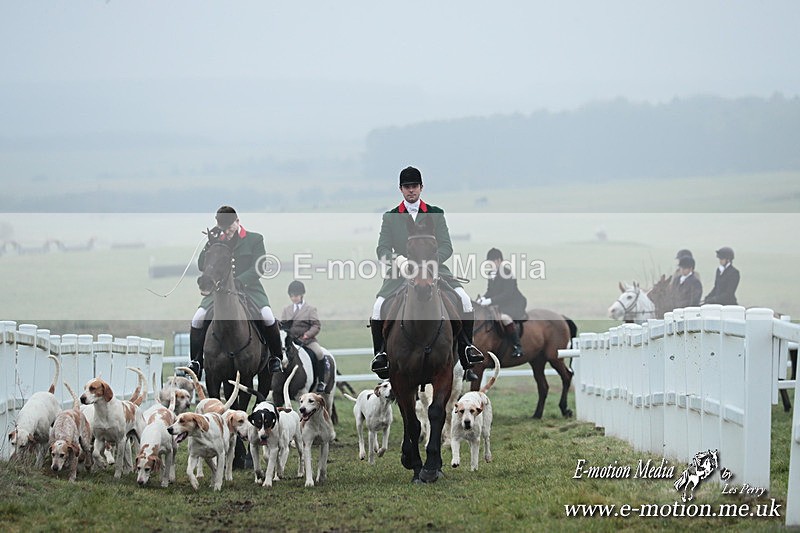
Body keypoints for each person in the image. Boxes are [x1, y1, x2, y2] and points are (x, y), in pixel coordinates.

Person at [369, 166, 483, 381]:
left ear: (421, 187)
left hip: (434, 269)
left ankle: (467, 348)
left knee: (465, 300)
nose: (411, 190)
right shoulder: (391, 216)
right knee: (377, 308)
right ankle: (381, 354)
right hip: (400, 274)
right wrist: (399, 260)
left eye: (414, 186)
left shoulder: (436, 213)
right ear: (400, 189)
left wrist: (431, 262)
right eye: (406, 187)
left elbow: (446, 246)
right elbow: (382, 250)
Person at [188, 206, 283, 379]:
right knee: (198, 318)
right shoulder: (218, 240)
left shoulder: (255, 239)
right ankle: (196, 361)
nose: (227, 230)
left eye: (230, 226)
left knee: (267, 316)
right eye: (224, 227)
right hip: (220, 291)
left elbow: (259, 267)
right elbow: (203, 264)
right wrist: (210, 242)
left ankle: (275, 357)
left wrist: (240, 281)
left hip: (250, 289)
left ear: (237, 221)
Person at [280, 280, 330, 393]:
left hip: (307, 341)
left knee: (319, 353)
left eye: (296, 295)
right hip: (291, 341)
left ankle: (321, 381)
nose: (294, 298)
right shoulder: (286, 310)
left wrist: (307, 334)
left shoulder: (310, 309)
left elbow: (316, 325)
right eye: (291, 296)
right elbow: (283, 326)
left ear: (302, 295)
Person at [476, 248, 527, 357]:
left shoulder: (507, 273)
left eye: (491, 262)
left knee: (504, 318)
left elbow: (507, 294)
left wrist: (489, 301)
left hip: (514, 303)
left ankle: (517, 346)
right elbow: (490, 291)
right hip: (501, 303)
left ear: (498, 261)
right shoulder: (491, 274)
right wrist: (482, 299)